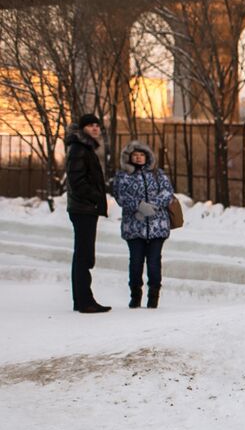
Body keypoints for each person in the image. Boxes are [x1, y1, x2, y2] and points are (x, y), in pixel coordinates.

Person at [111, 140, 174, 309]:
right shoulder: (123, 176)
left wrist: (152, 206)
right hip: (134, 226)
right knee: (136, 261)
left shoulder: (157, 174)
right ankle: (135, 295)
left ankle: (154, 295)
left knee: (154, 262)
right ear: (129, 157)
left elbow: (168, 192)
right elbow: (120, 196)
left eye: (142, 155)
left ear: (147, 157)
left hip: (157, 226)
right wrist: (138, 206)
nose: (139, 158)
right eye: (135, 155)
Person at [65, 113, 110, 313]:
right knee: (84, 255)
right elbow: (77, 181)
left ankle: (82, 299)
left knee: (84, 255)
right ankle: (84, 301)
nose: (95, 128)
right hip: (83, 208)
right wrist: (95, 197)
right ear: (82, 128)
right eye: (90, 125)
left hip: (85, 208)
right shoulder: (79, 149)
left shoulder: (85, 148)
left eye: (97, 125)